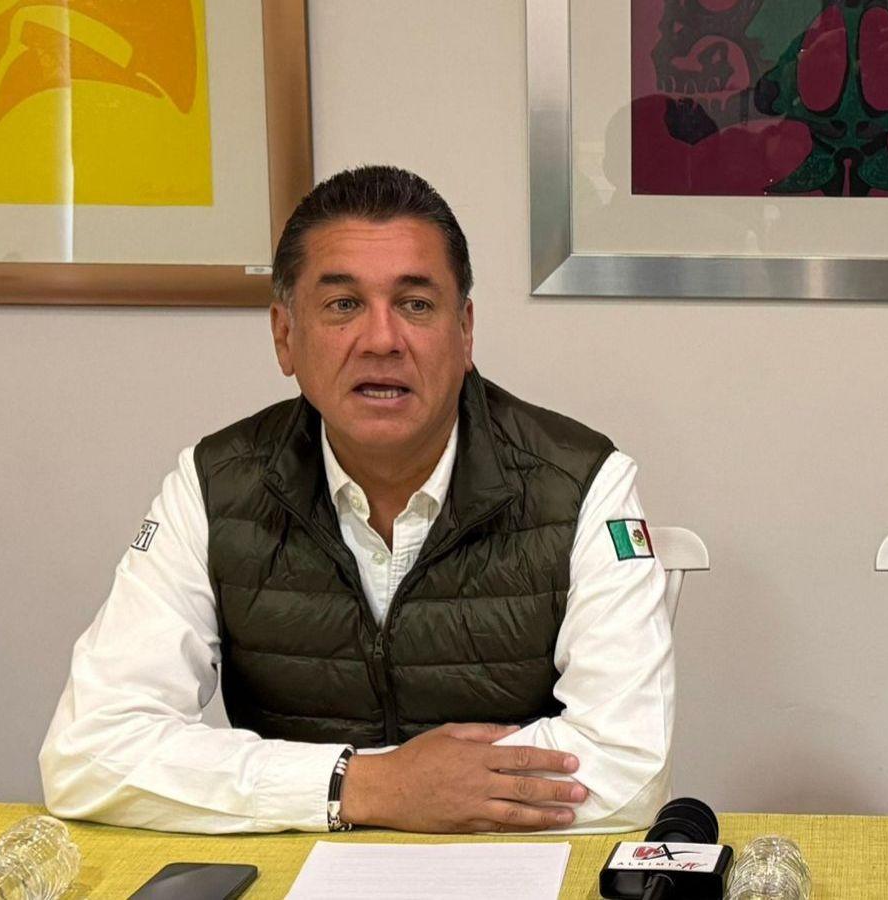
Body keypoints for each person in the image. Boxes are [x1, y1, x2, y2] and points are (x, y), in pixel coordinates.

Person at [40, 166, 674, 835]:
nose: (381, 340)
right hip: (296, 867)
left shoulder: (581, 482)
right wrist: (366, 787)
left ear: (464, 331)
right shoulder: (213, 485)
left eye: (416, 304)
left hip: (510, 869)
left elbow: (627, 766)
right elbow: (88, 752)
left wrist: (352, 790)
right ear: (285, 335)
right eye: (343, 305)